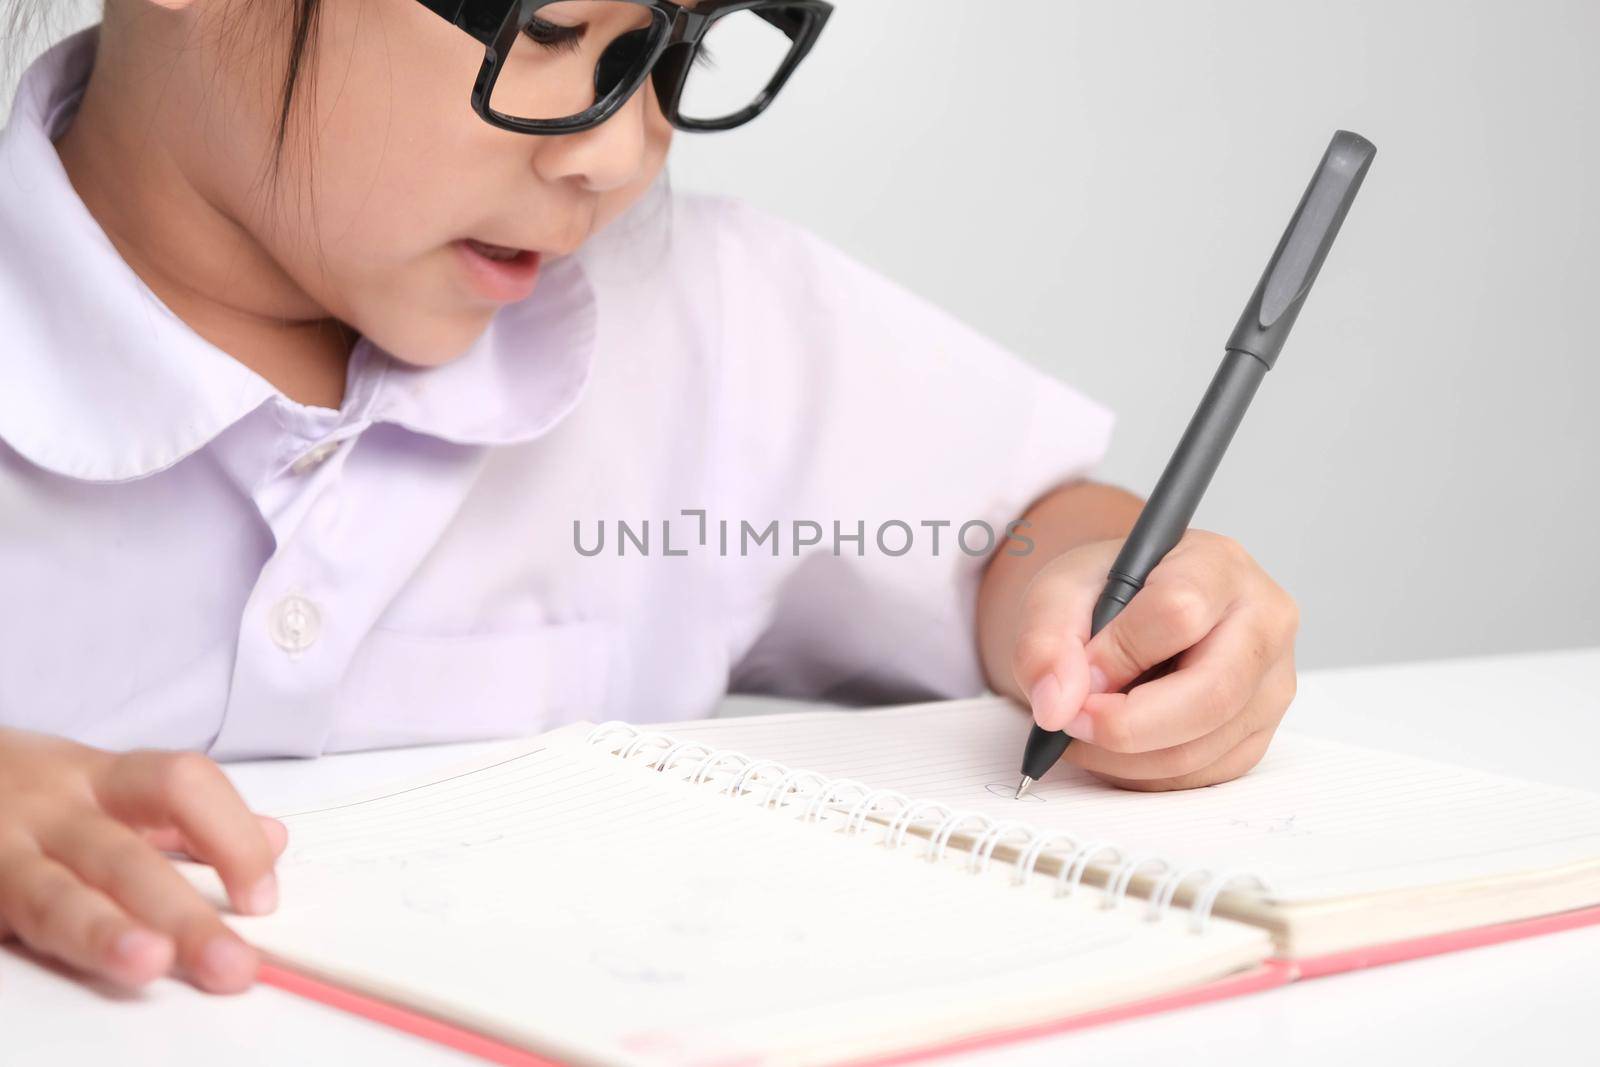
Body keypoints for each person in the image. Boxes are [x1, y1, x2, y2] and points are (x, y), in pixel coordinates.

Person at [0, 0, 1299, 996]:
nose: (622, 149)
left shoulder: (700, 317)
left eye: (677, 49)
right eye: (552, 31)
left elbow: (1026, 529)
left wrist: (1099, 592)